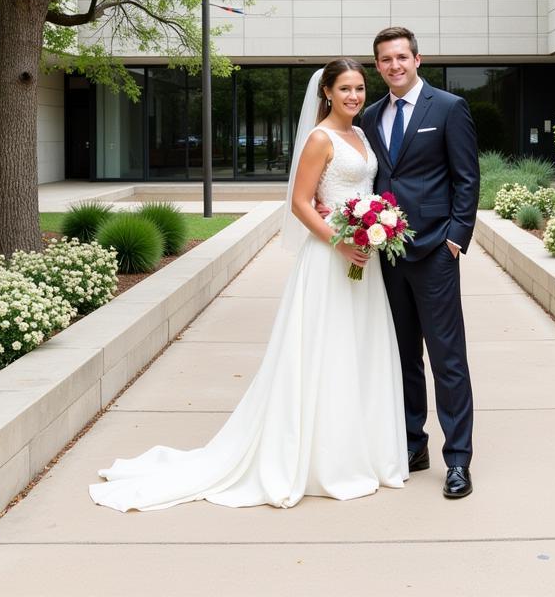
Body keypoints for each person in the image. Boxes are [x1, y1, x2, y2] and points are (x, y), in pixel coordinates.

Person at [89, 58, 407, 511]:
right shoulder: (320, 139)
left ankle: (360, 452)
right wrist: (339, 243)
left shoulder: (361, 134)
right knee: (325, 351)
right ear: (327, 94)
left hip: (363, 258)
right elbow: (299, 204)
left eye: (359, 88)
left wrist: (374, 228)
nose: (354, 96)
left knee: (358, 351)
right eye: (345, 89)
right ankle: (324, 461)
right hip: (330, 258)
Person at [360, 26, 480, 499]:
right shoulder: (370, 116)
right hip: (386, 257)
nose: (394, 66)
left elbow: (467, 178)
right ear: (378, 65)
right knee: (403, 357)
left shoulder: (448, 109)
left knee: (447, 358)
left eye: (401, 58)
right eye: (385, 60)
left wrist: (455, 239)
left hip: (435, 252)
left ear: (417, 59)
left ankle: (458, 460)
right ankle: (413, 444)